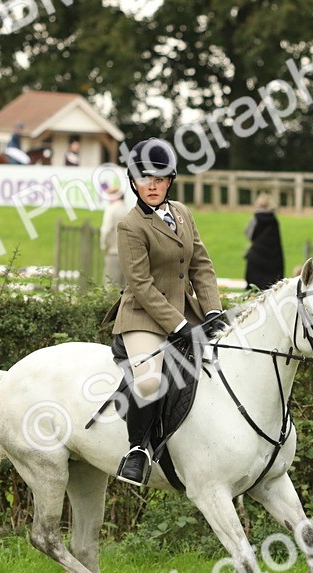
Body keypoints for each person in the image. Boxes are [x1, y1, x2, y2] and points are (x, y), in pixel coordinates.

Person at [104, 138, 225, 486]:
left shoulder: (183, 213)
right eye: (145, 179)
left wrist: (212, 310)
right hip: (143, 316)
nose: (153, 186)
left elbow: (201, 264)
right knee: (150, 380)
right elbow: (141, 285)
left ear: (170, 181)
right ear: (133, 182)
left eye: (159, 179)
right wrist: (180, 325)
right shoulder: (130, 225)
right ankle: (137, 451)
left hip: (187, 310)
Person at [243, 192, 284, 290]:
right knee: (271, 289)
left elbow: (248, 234)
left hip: (256, 258)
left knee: (254, 290)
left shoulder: (256, 219)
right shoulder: (274, 220)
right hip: (274, 260)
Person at [99, 184, 129, 290]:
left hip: (113, 252)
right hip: (127, 254)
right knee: (124, 287)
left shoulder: (111, 209)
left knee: (110, 285)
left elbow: (106, 230)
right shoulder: (128, 210)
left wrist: (104, 246)